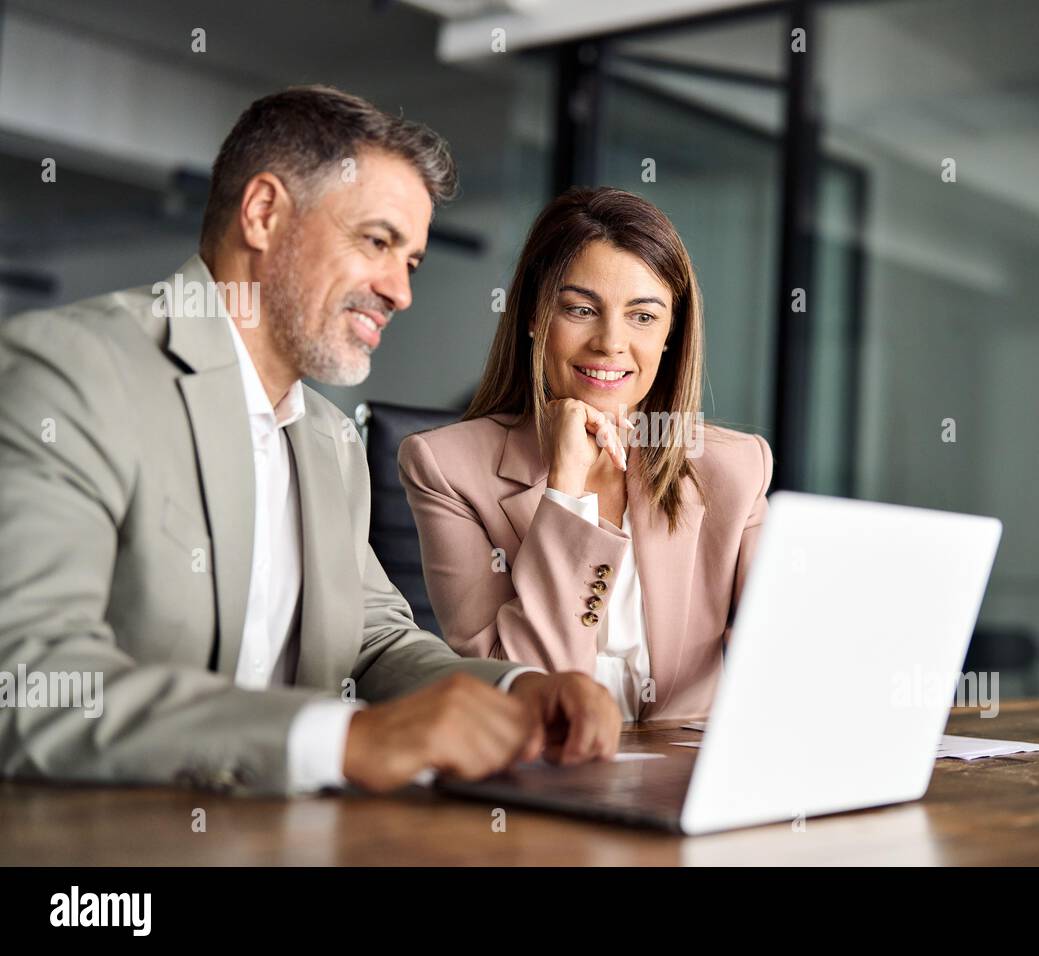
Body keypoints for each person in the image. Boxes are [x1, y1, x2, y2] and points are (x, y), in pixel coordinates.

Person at [0, 85, 621, 797]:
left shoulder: (326, 437)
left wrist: (520, 689)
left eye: (411, 262)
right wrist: (339, 739)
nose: (401, 291)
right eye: (378, 241)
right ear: (264, 214)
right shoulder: (73, 370)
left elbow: (376, 642)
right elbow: (30, 679)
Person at [399, 187, 772, 721]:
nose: (611, 342)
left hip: (684, 782)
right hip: (537, 779)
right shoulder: (445, 469)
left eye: (643, 316)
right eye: (580, 309)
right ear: (533, 315)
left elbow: (783, 655)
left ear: (671, 333)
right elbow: (520, 684)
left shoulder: (735, 469)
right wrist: (565, 490)